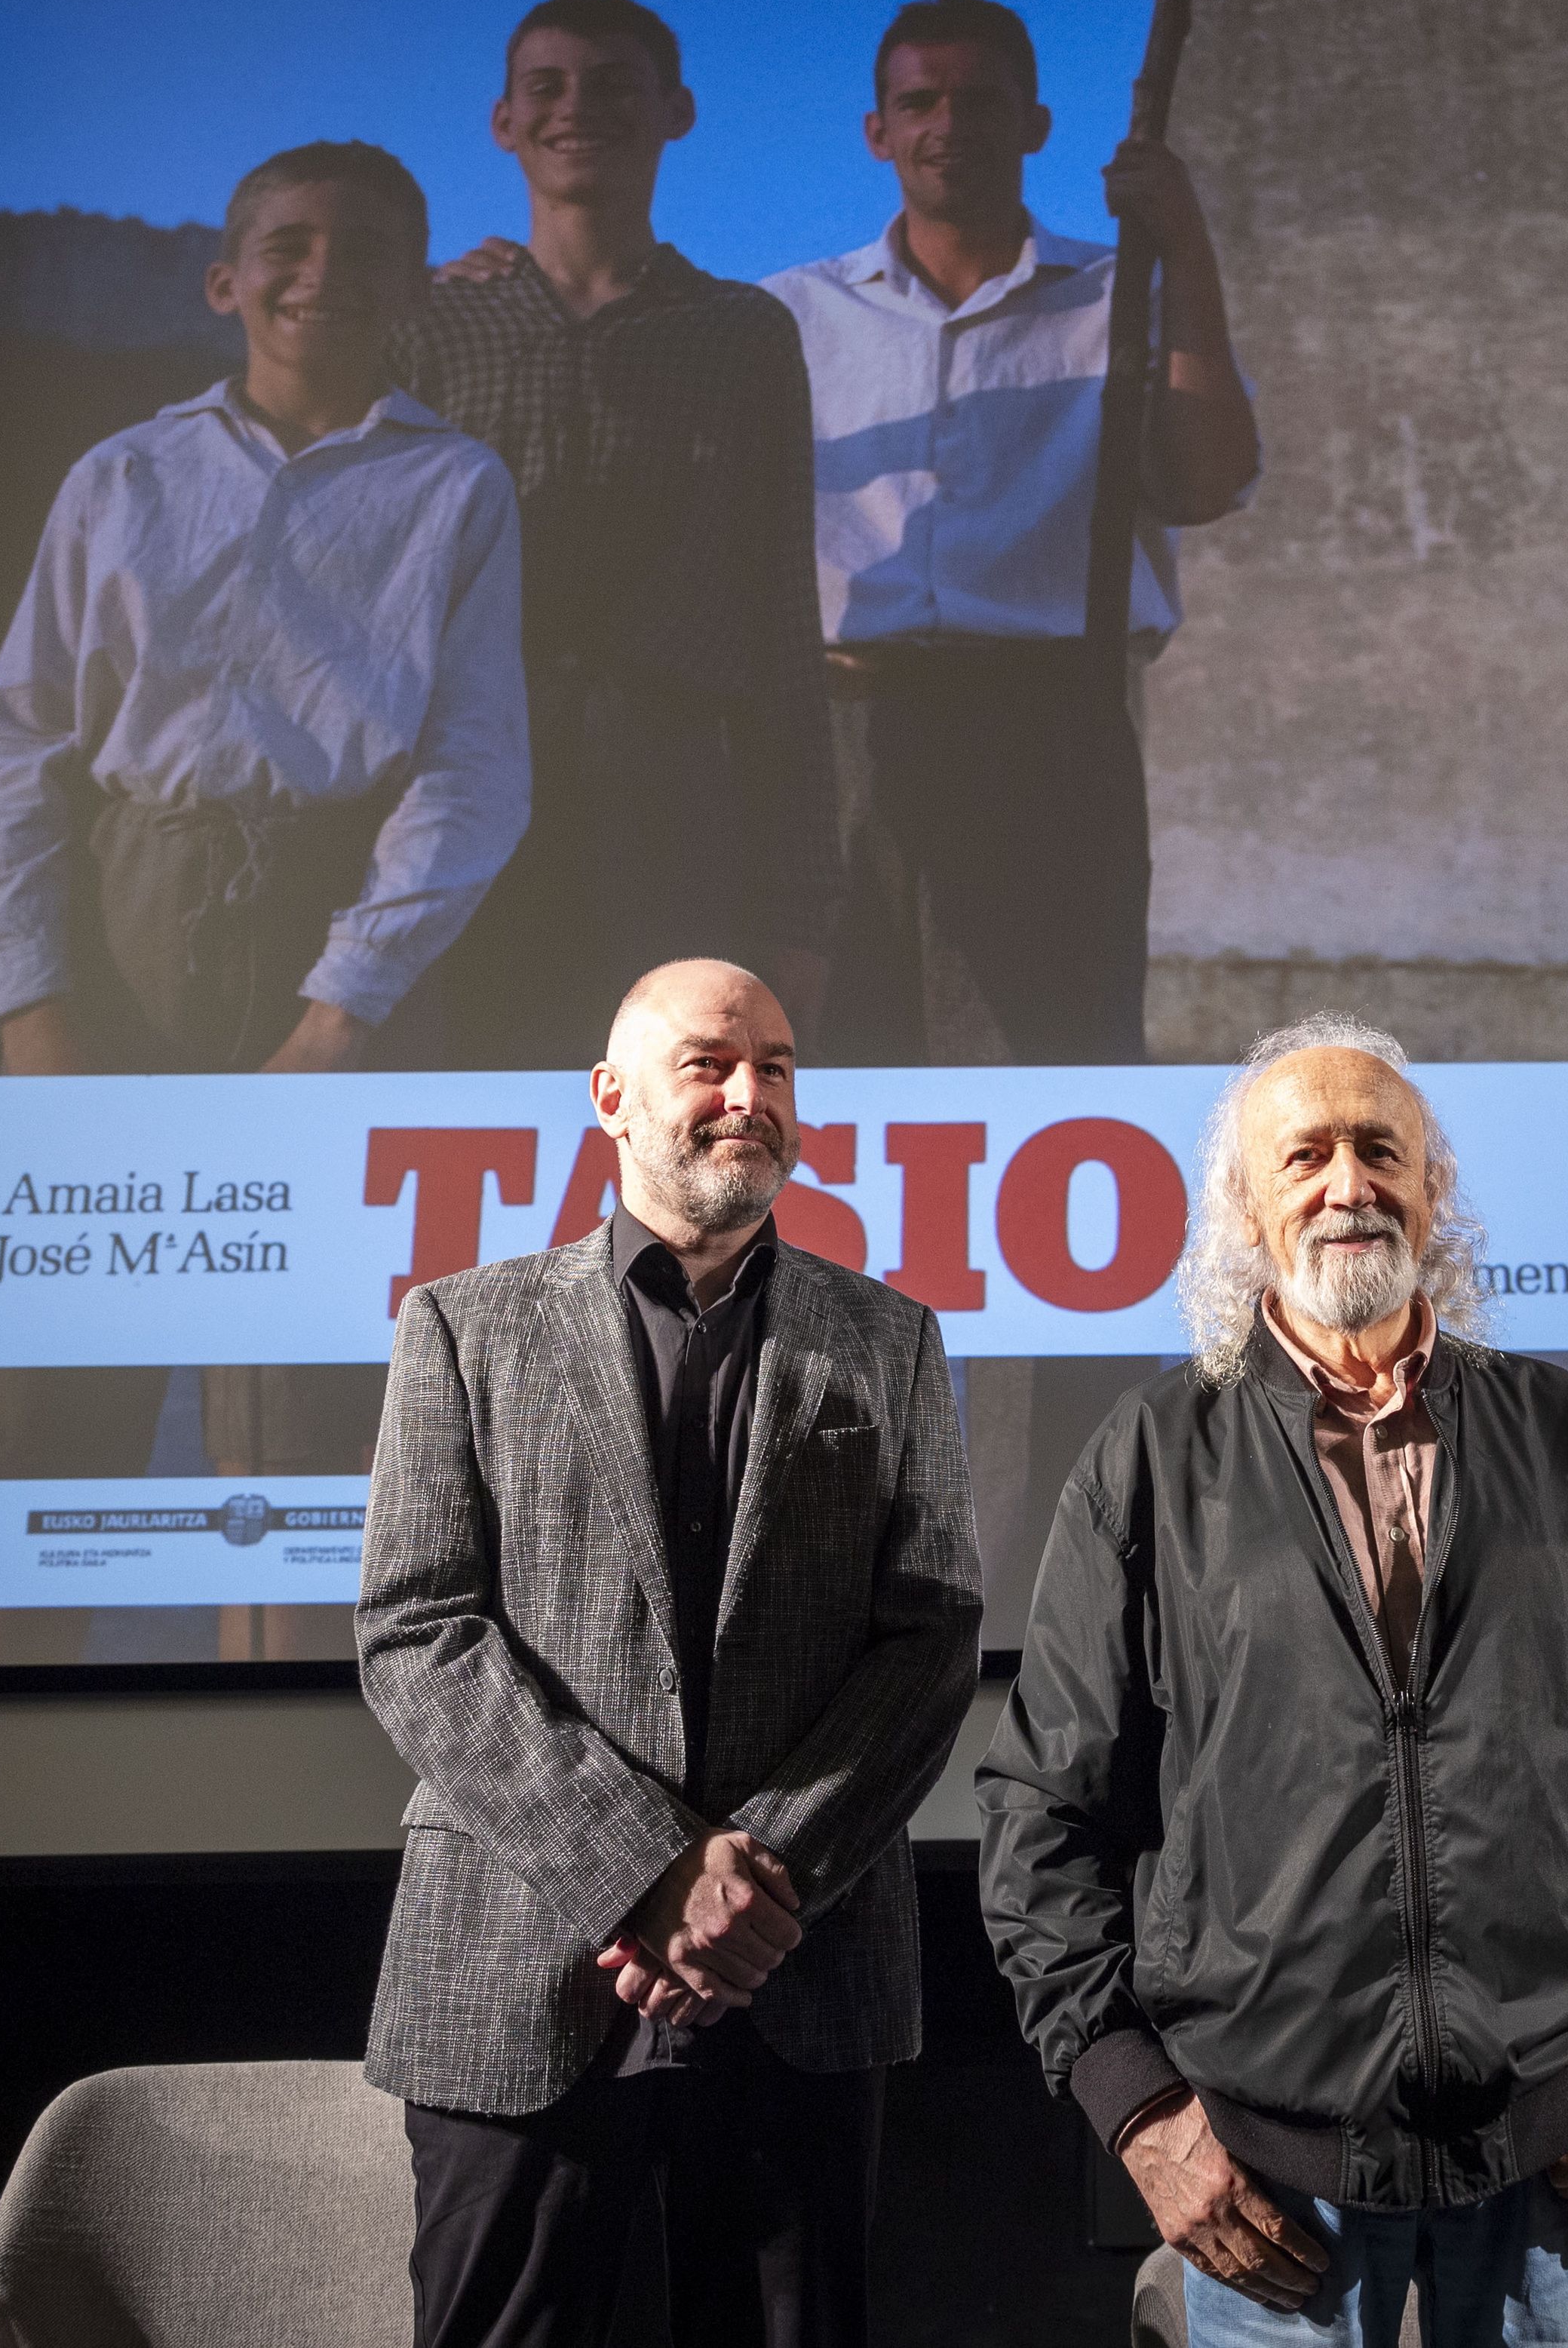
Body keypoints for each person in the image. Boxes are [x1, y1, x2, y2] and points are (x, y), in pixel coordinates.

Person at [980, 1013, 1568, 2344]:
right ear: (1246, 1206)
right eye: (1305, 1156)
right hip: (1266, 2180)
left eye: (1380, 1149)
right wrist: (1141, 2111)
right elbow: (1041, 1813)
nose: (1348, 1183)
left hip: (1561, 2166)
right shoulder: (1150, 1461)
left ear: (1434, 1189)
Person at [361, 958, 982, 2348]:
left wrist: (751, 1885)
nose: (748, 1094)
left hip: (794, 1969)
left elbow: (931, 1636)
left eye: (776, 1065)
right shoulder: (462, 1326)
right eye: (709, 1062)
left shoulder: (890, 1339)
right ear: (611, 1097)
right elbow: (418, 1629)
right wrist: (647, 1873)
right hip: (519, 1960)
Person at [0, 138, 524, 1509]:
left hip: (333, 937)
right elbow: (21, 741)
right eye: (287, 249)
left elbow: (474, 769)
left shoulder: (457, 490)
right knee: (25, 1421)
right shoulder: (121, 478)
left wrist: (339, 1019)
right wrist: (32, 1006)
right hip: (121, 923)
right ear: (225, 280)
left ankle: (263, 1713)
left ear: (411, 297)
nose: (323, 278)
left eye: (365, 255)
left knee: (298, 1438)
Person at [761, 0, 1260, 1066]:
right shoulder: (791, 316)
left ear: (1035, 122)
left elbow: (1212, 479)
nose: (951, 123)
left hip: (1048, 729)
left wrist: (1187, 248)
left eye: (982, 99)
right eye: (920, 100)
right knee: (839, 1057)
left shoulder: (1121, 296)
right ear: (878, 131)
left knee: (1047, 1057)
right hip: (848, 732)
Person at [406, 0, 838, 1066]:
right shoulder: (432, 321)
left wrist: (800, 903)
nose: (575, 108)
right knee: (469, 1088)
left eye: (611, 84)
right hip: (464, 774)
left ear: (675, 111)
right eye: (545, 87)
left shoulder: (739, 331)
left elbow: (781, 608)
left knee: (662, 1099)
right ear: (503, 122)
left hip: (674, 786)